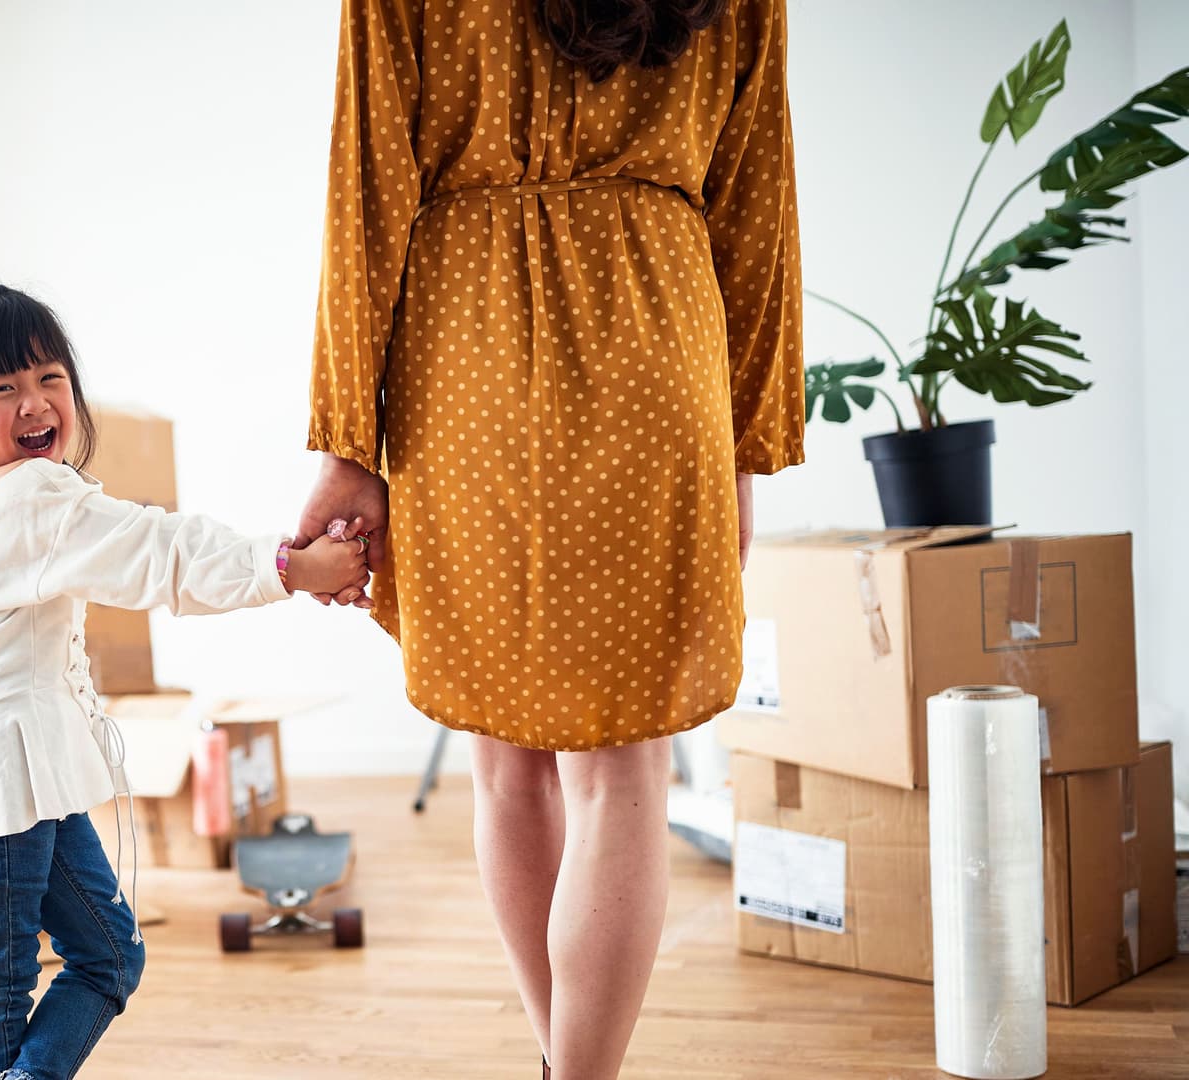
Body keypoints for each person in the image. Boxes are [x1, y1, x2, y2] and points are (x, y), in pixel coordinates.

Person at [297, 0, 804, 1075]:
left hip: (466, 356)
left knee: (504, 763)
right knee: (627, 772)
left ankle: (564, 1065)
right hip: (657, 340)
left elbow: (367, 185)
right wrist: (747, 443)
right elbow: (758, 205)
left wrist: (347, 443)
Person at [0, 285, 369, 1080]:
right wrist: (294, 568)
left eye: (49, 378)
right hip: (3, 783)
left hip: (32, 782)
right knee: (6, 985)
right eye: (3, 389)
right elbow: (164, 553)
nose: (34, 404)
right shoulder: (35, 497)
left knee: (109, 956)